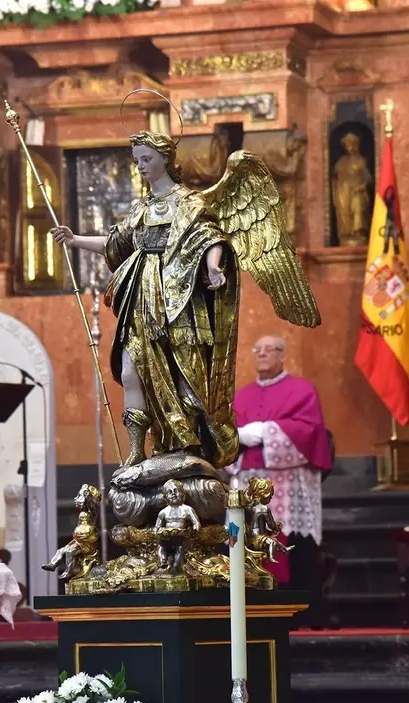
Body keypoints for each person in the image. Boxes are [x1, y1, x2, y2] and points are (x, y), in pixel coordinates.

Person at [52, 130, 240, 473]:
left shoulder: (190, 202)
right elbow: (118, 243)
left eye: (146, 159)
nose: (140, 166)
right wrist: (75, 239)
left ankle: (190, 445)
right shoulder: (141, 208)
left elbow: (211, 237)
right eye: (137, 160)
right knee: (131, 368)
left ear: (165, 159)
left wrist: (213, 268)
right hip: (141, 296)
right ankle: (138, 450)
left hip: (179, 297)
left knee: (185, 370)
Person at [230, 334, 336, 628]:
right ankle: (253, 609)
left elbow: (311, 431)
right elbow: (228, 433)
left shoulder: (302, 390)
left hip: (288, 485)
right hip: (247, 483)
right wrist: (236, 437)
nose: (262, 354)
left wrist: (266, 431)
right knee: (247, 542)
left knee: (291, 546)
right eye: (258, 350)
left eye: (269, 350)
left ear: (282, 356)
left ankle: (298, 610)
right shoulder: (241, 395)